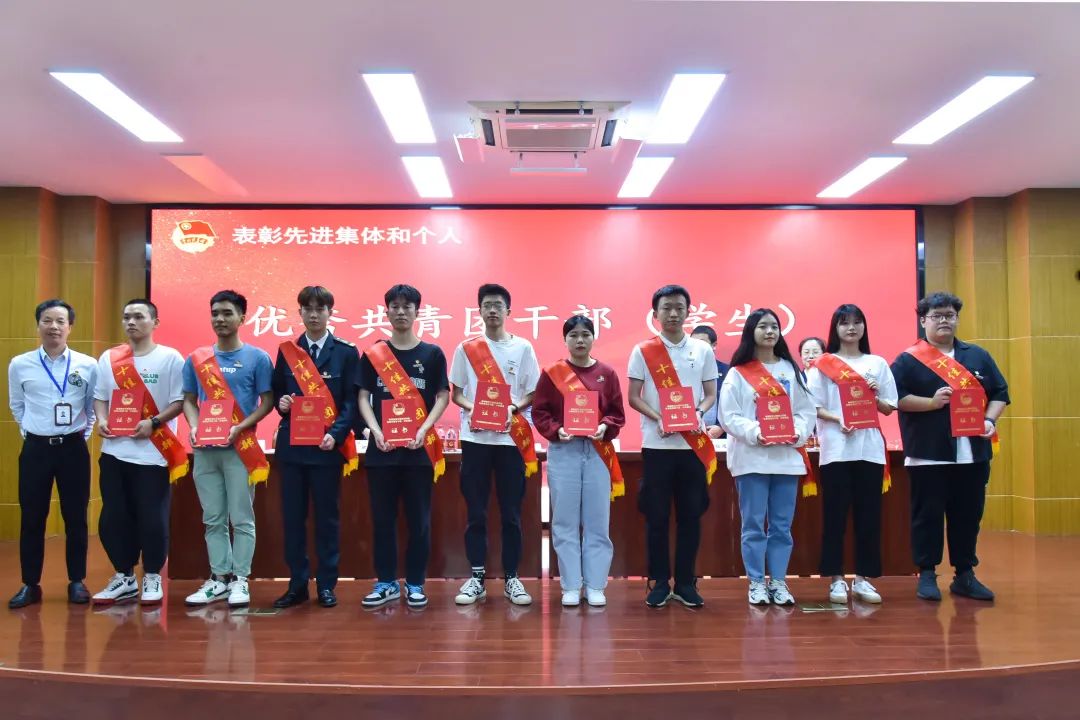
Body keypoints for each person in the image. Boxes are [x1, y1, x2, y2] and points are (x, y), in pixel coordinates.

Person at [891, 292, 1008, 602]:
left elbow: (1000, 393)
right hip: (928, 453)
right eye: (937, 316)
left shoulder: (977, 355)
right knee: (927, 516)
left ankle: (965, 574)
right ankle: (927, 573)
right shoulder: (908, 360)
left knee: (968, 516)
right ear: (923, 320)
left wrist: (989, 420)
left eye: (949, 315)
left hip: (973, 453)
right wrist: (931, 403)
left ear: (957, 318)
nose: (944, 321)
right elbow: (894, 399)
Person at [357, 284, 450, 610]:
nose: (400, 311)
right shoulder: (373, 354)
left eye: (406, 306)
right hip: (381, 452)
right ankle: (385, 582)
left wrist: (424, 429)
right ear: (386, 311)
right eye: (394, 306)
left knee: (418, 522)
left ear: (416, 311)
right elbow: (363, 396)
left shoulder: (432, 354)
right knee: (382, 520)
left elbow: (442, 395)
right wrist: (375, 431)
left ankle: (414, 583)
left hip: (418, 453)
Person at [181, 290, 274, 608]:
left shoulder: (258, 358)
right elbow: (189, 400)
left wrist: (241, 426)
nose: (220, 319)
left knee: (242, 518)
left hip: (240, 449)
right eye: (215, 313)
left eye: (227, 313)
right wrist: (194, 427)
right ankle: (218, 579)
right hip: (205, 450)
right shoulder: (197, 359)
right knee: (213, 518)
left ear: (242, 318)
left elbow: (267, 402)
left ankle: (240, 580)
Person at [449, 283, 541, 606]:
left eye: (498, 305)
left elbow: (533, 392)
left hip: (510, 440)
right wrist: (473, 409)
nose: (492, 310)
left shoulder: (523, 348)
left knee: (511, 513)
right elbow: (457, 394)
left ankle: (512, 578)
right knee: (476, 512)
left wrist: (514, 407)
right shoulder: (466, 349)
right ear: (479, 310)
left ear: (508, 311)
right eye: (487, 305)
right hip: (475, 440)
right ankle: (477, 577)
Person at [627, 285, 718, 609]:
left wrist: (698, 413)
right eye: (666, 308)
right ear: (656, 314)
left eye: (679, 307)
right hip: (657, 446)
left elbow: (710, 394)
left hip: (691, 448)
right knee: (657, 517)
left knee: (691, 516)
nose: (673, 313)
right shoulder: (643, 350)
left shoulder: (702, 350)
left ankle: (686, 582)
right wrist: (659, 418)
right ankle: (660, 582)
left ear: (688, 311)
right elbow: (634, 397)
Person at [91, 299, 187, 606]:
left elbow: (180, 401)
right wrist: (101, 420)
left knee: (152, 519)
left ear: (155, 322)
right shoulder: (110, 358)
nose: (131, 322)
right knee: (114, 518)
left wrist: (154, 422)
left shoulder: (170, 358)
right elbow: (100, 397)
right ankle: (124, 576)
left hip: (153, 455)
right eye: (126, 317)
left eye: (139, 316)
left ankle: (153, 575)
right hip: (114, 453)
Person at [271, 286, 360, 609]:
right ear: (300, 312)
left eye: (319, 309)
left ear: (330, 313)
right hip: (293, 450)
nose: (313, 314)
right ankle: (297, 584)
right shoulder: (288, 351)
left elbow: (351, 402)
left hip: (326, 449)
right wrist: (282, 404)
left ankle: (326, 584)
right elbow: (277, 395)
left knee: (327, 520)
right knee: (293, 520)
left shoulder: (346, 352)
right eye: (307, 309)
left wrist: (336, 434)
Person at [721, 308, 816, 607]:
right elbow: (728, 416)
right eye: (763, 326)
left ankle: (778, 581)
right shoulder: (738, 373)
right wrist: (756, 432)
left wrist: (796, 432)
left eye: (774, 326)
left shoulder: (791, 369)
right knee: (752, 525)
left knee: (781, 526)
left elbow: (806, 411)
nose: (770, 331)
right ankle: (755, 582)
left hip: (786, 458)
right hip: (752, 458)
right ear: (751, 331)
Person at [7, 299, 97, 608]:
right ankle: (30, 584)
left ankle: (77, 581)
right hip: (35, 450)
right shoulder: (20, 364)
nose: (54, 327)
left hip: (73, 449)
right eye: (47, 320)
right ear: (38, 325)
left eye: (60, 321)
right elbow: (17, 405)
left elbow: (91, 408)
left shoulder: (88, 365)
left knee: (76, 517)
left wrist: (79, 435)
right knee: (32, 517)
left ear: (70, 327)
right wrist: (34, 434)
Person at [805, 304, 898, 605]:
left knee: (868, 516)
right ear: (835, 328)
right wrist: (838, 419)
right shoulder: (822, 365)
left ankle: (863, 579)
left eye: (857, 322)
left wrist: (875, 394)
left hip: (870, 450)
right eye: (844, 323)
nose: (851, 328)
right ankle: (836, 580)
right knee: (835, 516)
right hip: (836, 450)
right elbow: (813, 406)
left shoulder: (877, 363)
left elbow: (889, 406)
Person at [532, 315, 626, 608]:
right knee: (564, 521)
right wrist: (556, 430)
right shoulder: (552, 374)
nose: (580, 340)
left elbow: (617, 413)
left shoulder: (607, 373)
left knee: (598, 520)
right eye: (573, 335)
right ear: (565, 340)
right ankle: (571, 585)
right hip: (564, 451)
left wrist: (605, 426)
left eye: (585, 334)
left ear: (593, 337)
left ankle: (596, 585)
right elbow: (540, 412)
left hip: (598, 451)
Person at [690, 325, 730, 439]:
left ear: (714, 345)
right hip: (690, 434)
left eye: (702, 343)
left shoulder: (728, 371)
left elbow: (737, 404)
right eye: (692, 344)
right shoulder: (683, 371)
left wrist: (722, 427)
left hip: (721, 437)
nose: (696, 347)